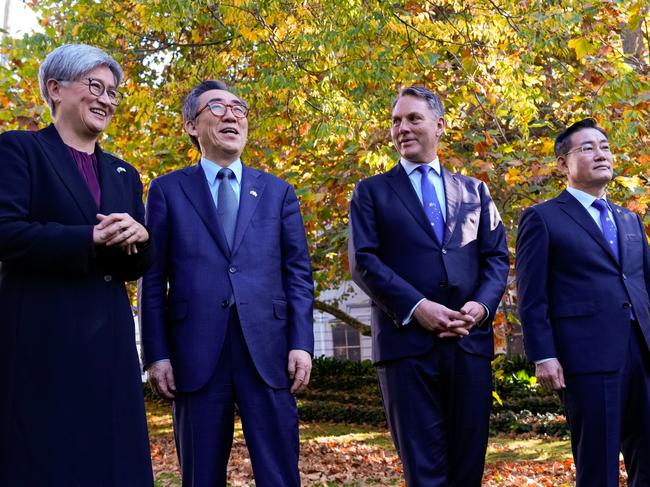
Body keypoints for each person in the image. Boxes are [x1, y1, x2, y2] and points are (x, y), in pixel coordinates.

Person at [139, 80, 314, 486]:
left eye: (239, 108)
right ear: (190, 125)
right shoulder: (166, 190)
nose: (232, 114)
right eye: (216, 108)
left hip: (268, 352)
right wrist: (156, 354)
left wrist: (301, 343)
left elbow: (299, 276)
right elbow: (153, 278)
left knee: (280, 474)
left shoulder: (278, 192)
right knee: (200, 475)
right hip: (195, 354)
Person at [0, 44, 153, 486]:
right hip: (42, 339)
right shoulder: (20, 150)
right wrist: (88, 236)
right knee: (47, 461)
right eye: (95, 86)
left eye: (113, 91)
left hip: (108, 341)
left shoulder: (125, 174)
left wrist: (140, 239)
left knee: (112, 462)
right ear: (55, 88)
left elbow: (134, 266)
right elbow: (6, 232)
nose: (107, 99)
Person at [348, 85, 509, 486]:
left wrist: (481, 307)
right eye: (396, 121)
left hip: (468, 344)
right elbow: (363, 262)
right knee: (425, 472)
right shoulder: (371, 192)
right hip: (406, 347)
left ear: (439, 125)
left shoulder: (475, 191)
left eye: (413, 118)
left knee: (467, 469)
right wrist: (419, 307)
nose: (402, 128)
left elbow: (496, 258)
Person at [516, 118, 650, 487]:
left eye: (605, 146)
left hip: (643, 355)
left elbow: (645, 286)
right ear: (562, 164)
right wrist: (543, 354)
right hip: (588, 361)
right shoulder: (542, 218)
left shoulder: (630, 220)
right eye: (587, 147)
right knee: (598, 466)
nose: (600, 154)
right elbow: (532, 295)